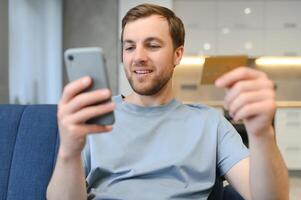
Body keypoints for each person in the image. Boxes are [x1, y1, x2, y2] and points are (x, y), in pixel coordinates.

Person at [47, 3, 288, 200]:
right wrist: (68, 152)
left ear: (177, 54)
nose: (138, 57)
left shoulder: (209, 123)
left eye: (152, 45)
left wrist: (262, 134)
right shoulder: (93, 116)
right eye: (130, 47)